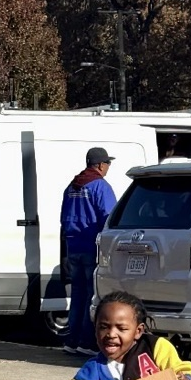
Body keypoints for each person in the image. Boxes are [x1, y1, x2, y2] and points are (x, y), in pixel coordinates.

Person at [60, 146, 117, 356]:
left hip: (73, 246)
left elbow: (63, 218)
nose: (108, 167)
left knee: (77, 295)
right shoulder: (100, 186)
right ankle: (86, 342)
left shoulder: (72, 186)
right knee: (92, 297)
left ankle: (71, 340)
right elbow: (109, 217)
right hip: (92, 247)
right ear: (101, 165)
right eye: (108, 163)